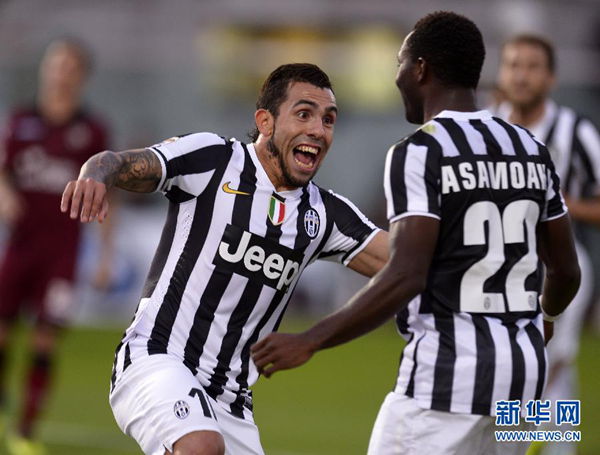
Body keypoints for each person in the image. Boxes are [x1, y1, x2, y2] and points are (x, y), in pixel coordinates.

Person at [251, 12, 581, 455]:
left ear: (421, 69)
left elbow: (406, 274)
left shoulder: (421, 151)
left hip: (446, 375)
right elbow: (566, 271)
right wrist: (545, 318)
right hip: (522, 379)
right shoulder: (530, 148)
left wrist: (310, 339)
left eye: (401, 63)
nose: (397, 76)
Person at [60, 63, 388, 455]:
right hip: (156, 361)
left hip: (231, 403)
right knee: (200, 446)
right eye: (304, 114)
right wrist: (96, 172)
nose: (318, 130)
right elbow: (122, 162)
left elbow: (407, 264)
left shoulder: (325, 215)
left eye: (328, 119)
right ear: (265, 121)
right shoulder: (214, 160)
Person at [0, 38, 111, 453]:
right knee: (3, 333)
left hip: (62, 252)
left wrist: (105, 255)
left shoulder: (92, 131)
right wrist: (6, 194)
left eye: (70, 66)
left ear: (81, 75)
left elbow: (106, 198)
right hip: (21, 247)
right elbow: (3, 171)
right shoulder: (20, 121)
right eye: (55, 63)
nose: (61, 71)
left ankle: (25, 432)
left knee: (46, 339)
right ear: (46, 68)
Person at [495, 33, 600, 455]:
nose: (521, 75)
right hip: (494, 270)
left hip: (560, 266)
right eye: (513, 65)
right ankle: (522, 441)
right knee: (508, 368)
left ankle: (542, 444)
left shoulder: (574, 131)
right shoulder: (485, 125)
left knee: (551, 366)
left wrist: (559, 204)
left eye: (532, 66)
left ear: (552, 77)